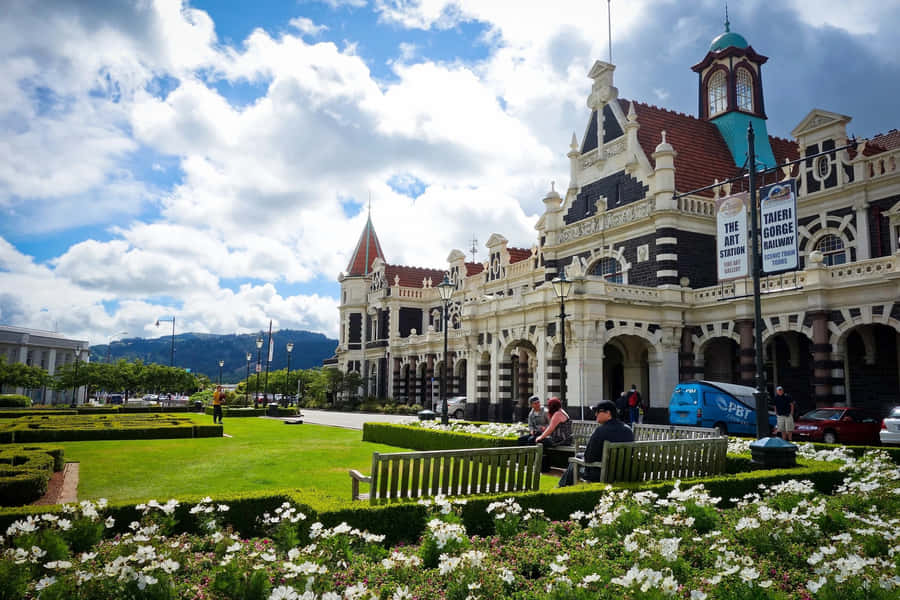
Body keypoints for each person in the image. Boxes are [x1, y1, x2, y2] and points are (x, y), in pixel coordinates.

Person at [558, 400, 634, 487]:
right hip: (624, 473)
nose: (595, 414)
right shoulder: (628, 430)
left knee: (574, 462)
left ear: (608, 413)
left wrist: (578, 458)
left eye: (597, 411)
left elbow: (588, 458)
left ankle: (560, 488)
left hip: (602, 474)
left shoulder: (601, 430)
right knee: (579, 456)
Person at [534, 397, 572, 471]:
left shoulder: (557, 414)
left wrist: (541, 437)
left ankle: (543, 467)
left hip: (561, 440)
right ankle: (545, 466)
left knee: (540, 441)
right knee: (543, 441)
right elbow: (553, 427)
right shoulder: (561, 411)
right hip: (565, 439)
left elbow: (550, 429)